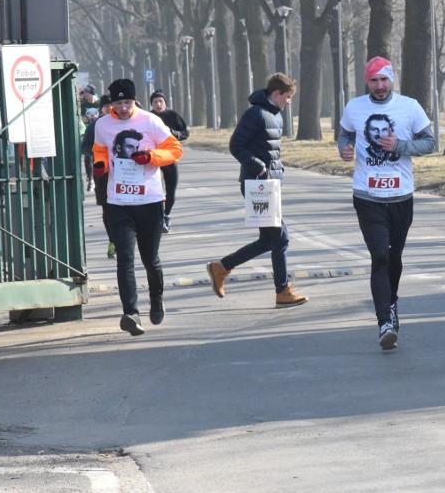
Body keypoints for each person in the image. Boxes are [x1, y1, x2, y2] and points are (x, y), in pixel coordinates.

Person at [338, 57, 436, 351]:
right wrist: (344, 147)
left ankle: (391, 303)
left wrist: (401, 146)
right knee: (379, 255)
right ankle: (385, 322)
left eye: (384, 80)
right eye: (373, 81)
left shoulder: (409, 106)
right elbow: (344, 132)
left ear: (391, 80)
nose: (379, 86)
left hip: (401, 198)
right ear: (366, 82)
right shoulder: (355, 107)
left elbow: (430, 143)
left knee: (394, 258)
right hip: (367, 198)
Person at [206, 73, 308, 309]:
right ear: (276, 94)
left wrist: (277, 168)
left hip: (270, 184)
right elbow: (236, 145)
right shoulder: (255, 114)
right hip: (257, 185)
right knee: (280, 237)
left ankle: (221, 267)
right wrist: (258, 165)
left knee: (268, 239)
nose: (289, 102)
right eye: (288, 97)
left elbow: (270, 150)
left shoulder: (274, 115)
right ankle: (282, 291)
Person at [92, 79, 183, 336]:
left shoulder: (150, 121)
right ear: (112, 103)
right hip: (119, 202)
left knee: (150, 259)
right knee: (125, 258)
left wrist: (151, 157)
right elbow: (100, 149)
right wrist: (101, 165)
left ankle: (156, 299)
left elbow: (175, 150)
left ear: (134, 101)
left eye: (127, 102)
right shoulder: (103, 125)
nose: (122, 107)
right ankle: (131, 312)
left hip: (150, 201)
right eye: (118, 102)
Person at [149, 90, 190, 233]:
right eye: (155, 102)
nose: (158, 104)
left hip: (170, 157)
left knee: (170, 190)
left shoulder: (173, 116)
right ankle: (158, 217)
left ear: (165, 103)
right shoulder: (148, 118)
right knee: (156, 190)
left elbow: (185, 133)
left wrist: (173, 133)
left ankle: (166, 215)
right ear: (151, 104)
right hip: (153, 158)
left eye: (161, 101)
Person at [82, 94, 116, 258]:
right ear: (101, 108)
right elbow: (85, 148)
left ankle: (124, 239)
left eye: (112, 105)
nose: (109, 108)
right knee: (107, 208)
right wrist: (100, 152)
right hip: (101, 172)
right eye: (106, 106)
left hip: (124, 174)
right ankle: (113, 241)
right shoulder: (95, 126)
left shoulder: (126, 124)